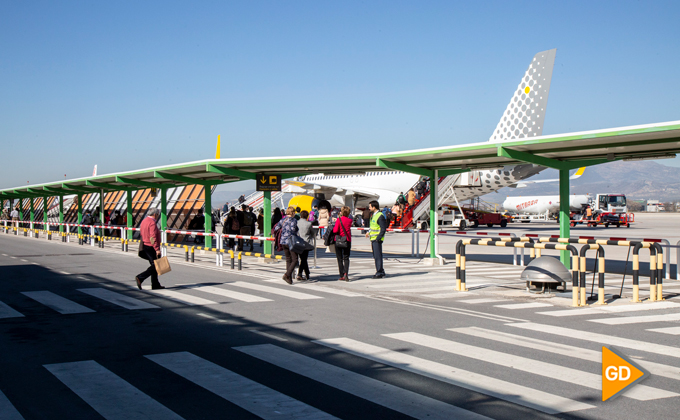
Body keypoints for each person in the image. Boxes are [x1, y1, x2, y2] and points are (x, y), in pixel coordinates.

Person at [135, 208, 165, 290]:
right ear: (155, 214)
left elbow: (142, 232)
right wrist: (157, 248)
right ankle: (140, 277)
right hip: (151, 246)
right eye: (158, 214)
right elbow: (153, 237)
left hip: (145, 245)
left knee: (154, 265)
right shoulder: (152, 223)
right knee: (155, 265)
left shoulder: (144, 221)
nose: (158, 216)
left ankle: (155, 284)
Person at [273, 206, 299, 284]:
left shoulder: (283, 220)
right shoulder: (293, 220)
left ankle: (289, 278)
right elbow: (293, 229)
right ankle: (287, 275)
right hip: (290, 241)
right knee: (295, 259)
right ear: (293, 213)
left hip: (283, 241)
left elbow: (276, 228)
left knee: (288, 259)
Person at [365, 200, 387, 278]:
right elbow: (373, 226)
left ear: (374, 207)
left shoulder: (380, 215)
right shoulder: (373, 215)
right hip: (373, 238)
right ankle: (381, 270)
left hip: (377, 239)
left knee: (378, 256)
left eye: (370, 207)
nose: (369, 208)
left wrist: (378, 238)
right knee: (375, 255)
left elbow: (383, 228)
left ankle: (379, 272)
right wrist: (368, 232)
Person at [332, 206, 353, 281]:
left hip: (339, 240)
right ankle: (346, 273)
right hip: (347, 240)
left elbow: (335, 230)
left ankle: (341, 274)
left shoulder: (339, 220)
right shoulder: (350, 220)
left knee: (339, 258)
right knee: (346, 258)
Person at [296, 210, 314, 280]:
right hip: (306, 242)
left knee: (303, 259)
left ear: (300, 216)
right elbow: (313, 233)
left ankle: (307, 273)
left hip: (298, 242)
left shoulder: (297, 223)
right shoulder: (309, 224)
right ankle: (300, 273)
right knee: (304, 259)